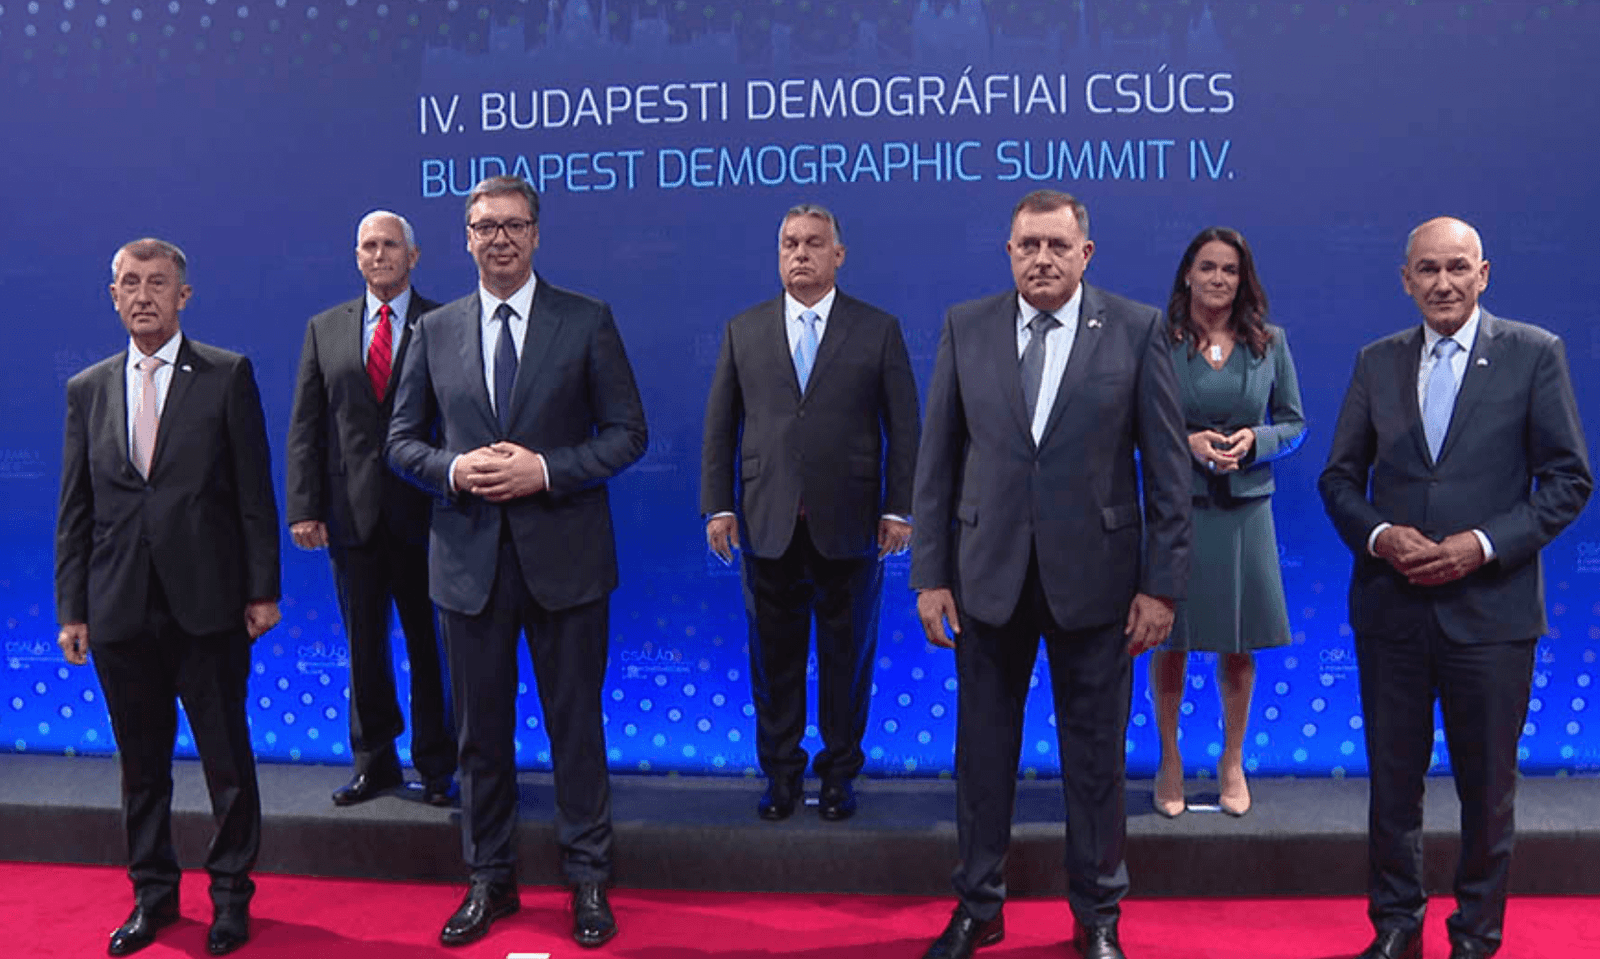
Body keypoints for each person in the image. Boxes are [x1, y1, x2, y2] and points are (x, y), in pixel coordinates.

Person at [911, 190, 1190, 959]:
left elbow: (1170, 475)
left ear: (1085, 253)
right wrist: (929, 574)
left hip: (1101, 585)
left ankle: (1097, 914)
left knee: (1096, 762)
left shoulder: (1135, 328)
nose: (1042, 258)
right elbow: (936, 462)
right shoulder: (966, 326)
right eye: (1028, 244)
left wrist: (1163, 585)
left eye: (1057, 245)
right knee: (982, 757)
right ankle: (978, 906)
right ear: (1008, 251)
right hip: (985, 581)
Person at [1318, 216, 1591, 959]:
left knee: (1488, 788)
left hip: (1493, 613)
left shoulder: (1534, 353)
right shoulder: (1376, 361)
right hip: (1392, 610)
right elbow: (1339, 479)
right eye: (1429, 269)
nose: (1444, 283)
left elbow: (1568, 481)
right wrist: (1381, 535)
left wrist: (1482, 544)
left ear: (1484, 274)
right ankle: (1396, 926)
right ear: (1406, 279)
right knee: (1392, 784)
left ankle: (1475, 933)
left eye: (1458, 268)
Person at [386, 175, 647, 949]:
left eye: (513, 225)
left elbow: (628, 433)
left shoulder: (586, 319)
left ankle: (589, 879)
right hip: (468, 566)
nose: (499, 238)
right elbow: (400, 441)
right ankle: (489, 880)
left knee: (577, 729)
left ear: (536, 233)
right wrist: (454, 468)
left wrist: (546, 469)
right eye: (484, 226)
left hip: (567, 561)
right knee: (479, 736)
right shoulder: (434, 330)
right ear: (466, 238)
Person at [55, 238, 281, 957]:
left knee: (226, 764)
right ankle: (152, 897)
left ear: (183, 296)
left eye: (157, 282)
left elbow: (254, 495)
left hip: (209, 605)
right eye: (130, 282)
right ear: (113, 296)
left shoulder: (226, 374)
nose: (143, 294)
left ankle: (231, 898)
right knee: (141, 768)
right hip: (119, 607)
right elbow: (75, 508)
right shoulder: (88, 388)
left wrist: (263, 590)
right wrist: (72, 608)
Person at [700, 204, 921, 822]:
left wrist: (900, 509)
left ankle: (840, 774)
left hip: (852, 524)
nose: (800, 253)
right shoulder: (744, 330)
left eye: (814, 243)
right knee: (773, 661)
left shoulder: (877, 329)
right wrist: (718, 506)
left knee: (848, 659)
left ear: (838, 255)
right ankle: (780, 775)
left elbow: (905, 427)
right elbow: (720, 427)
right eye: (790, 243)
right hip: (766, 522)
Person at [285, 210, 456, 808]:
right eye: (368, 246)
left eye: (390, 245)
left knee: (432, 648)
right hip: (350, 518)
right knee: (364, 647)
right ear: (356, 256)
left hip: (430, 517)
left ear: (413, 256)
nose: (379, 255)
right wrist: (304, 507)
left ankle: (438, 766)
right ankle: (374, 763)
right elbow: (307, 426)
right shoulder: (325, 329)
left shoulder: (446, 323)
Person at [1149, 227, 1305, 819]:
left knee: (1239, 643)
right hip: (1179, 507)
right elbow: (1136, 424)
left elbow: (1293, 423)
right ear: (1188, 274)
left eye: (1230, 270)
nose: (1219, 278)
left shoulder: (1269, 343)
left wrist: (1256, 441)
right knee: (1170, 637)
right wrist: (1185, 442)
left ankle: (1232, 761)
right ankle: (1169, 759)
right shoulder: (1158, 341)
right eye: (1208, 267)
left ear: (1244, 280)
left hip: (1245, 510)